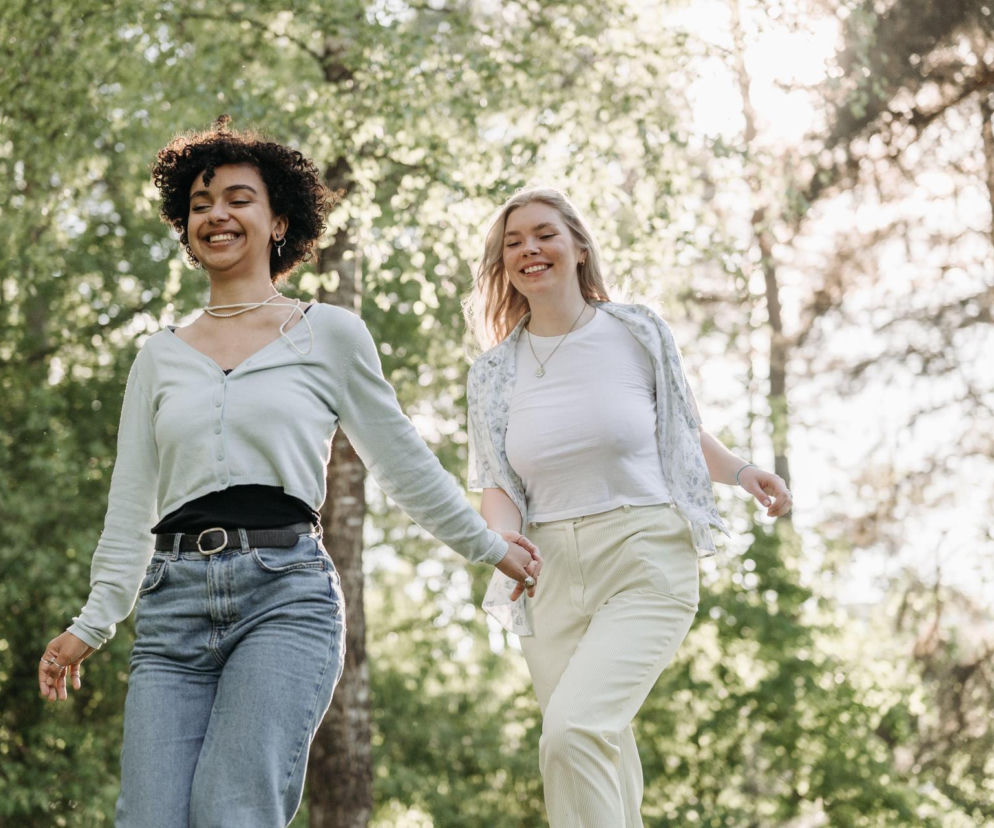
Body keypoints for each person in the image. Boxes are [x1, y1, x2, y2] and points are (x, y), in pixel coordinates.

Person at [37, 119, 541, 828]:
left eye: (239, 198)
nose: (216, 214)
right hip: (171, 606)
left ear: (278, 222)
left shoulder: (326, 332)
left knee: (231, 811)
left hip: (284, 595)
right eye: (201, 203)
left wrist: (489, 546)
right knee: (146, 817)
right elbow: (130, 508)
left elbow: (400, 461)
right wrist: (91, 623)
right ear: (185, 228)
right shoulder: (159, 356)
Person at [465, 187, 792, 827]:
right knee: (597, 747)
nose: (530, 248)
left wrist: (744, 471)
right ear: (503, 265)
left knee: (573, 731)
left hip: (644, 556)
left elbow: (681, 431)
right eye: (513, 242)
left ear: (579, 247)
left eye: (544, 234)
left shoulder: (636, 330)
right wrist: (503, 546)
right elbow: (498, 485)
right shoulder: (492, 372)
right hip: (546, 573)